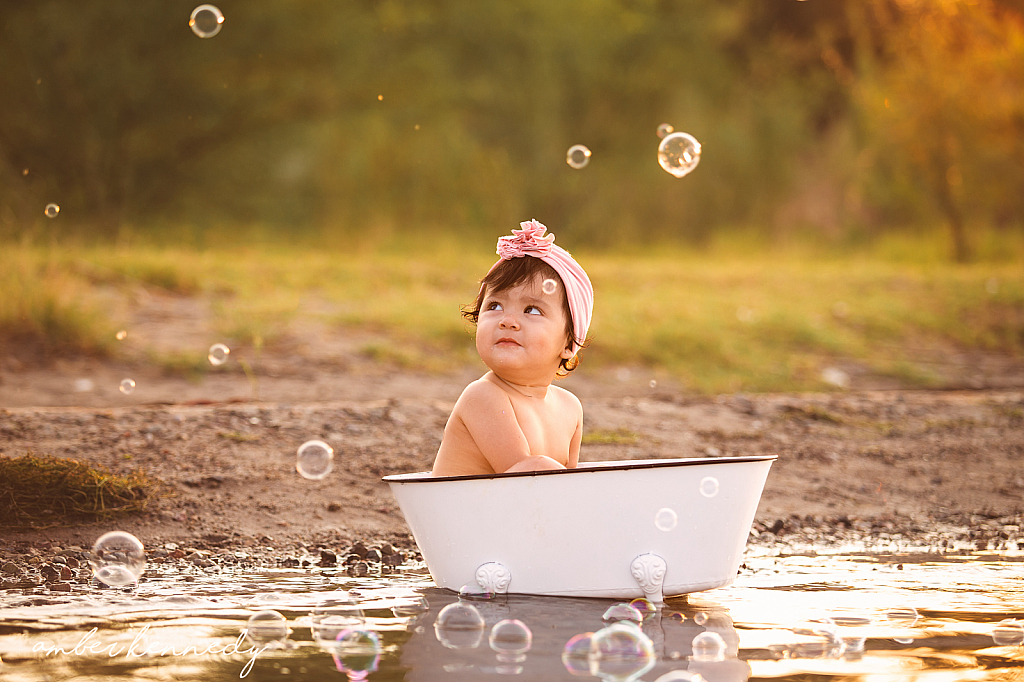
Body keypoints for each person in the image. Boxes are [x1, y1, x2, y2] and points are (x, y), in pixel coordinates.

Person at [430, 219, 594, 477]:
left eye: (532, 310)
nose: (508, 321)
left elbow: (563, 492)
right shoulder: (483, 396)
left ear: (568, 343)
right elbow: (522, 476)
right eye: (495, 306)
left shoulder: (569, 407)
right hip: (462, 516)